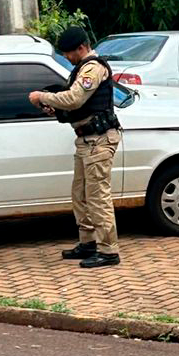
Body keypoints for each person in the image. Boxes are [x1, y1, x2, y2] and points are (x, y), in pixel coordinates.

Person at [28, 26, 122, 268]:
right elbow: (75, 106)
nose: (67, 58)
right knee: (80, 195)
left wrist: (43, 97)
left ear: (81, 47)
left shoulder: (93, 68)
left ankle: (108, 250)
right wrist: (55, 109)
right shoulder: (81, 69)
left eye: (69, 53)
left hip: (98, 140)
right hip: (86, 140)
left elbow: (75, 98)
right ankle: (89, 242)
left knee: (98, 197)